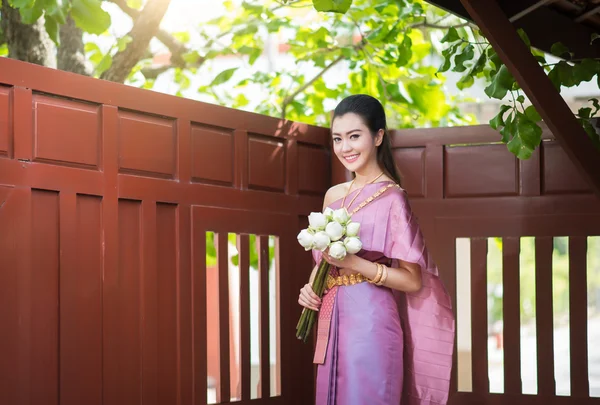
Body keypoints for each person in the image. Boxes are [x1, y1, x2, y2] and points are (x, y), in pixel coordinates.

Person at [297, 94, 455, 405]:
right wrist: (310, 287)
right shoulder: (333, 195)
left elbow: (413, 281)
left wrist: (356, 263)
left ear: (378, 136)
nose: (345, 148)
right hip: (332, 316)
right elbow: (324, 261)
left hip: (371, 321)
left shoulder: (393, 198)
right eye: (338, 138)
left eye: (355, 136)